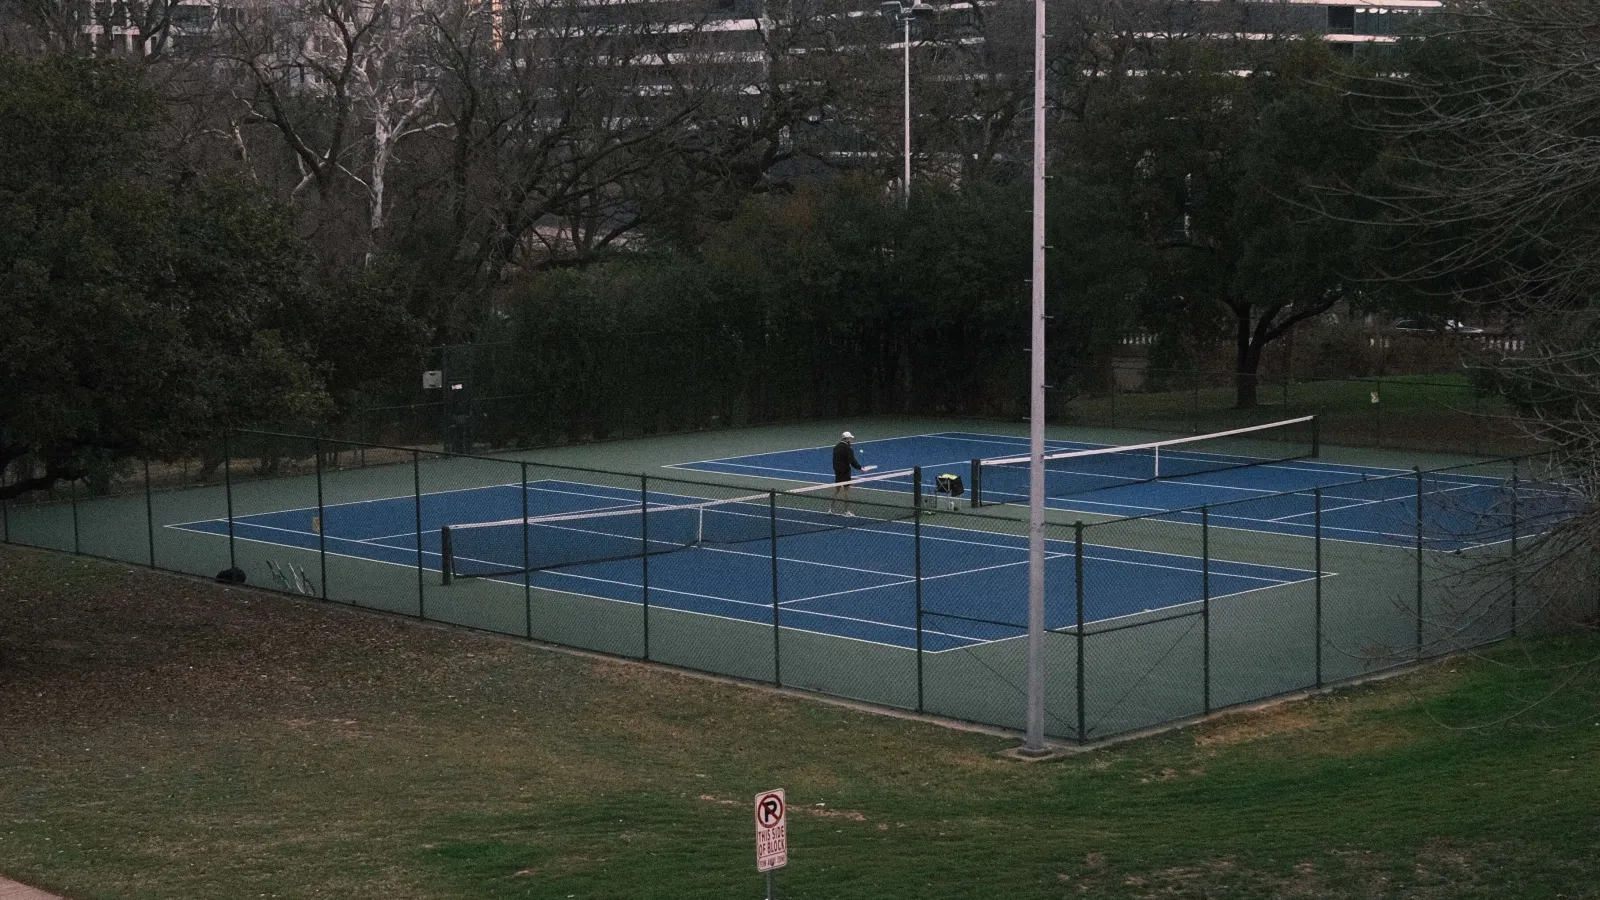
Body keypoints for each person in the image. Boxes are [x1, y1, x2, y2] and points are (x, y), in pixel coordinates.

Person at [831, 431, 865, 515]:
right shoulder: (848, 448)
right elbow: (852, 460)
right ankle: (846, 511)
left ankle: (831, 509)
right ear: (846, 439)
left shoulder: (836, 447)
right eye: (850, 438)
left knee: (837, 490)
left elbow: (835, 460)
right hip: (845, 472)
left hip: (837, 471)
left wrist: (836, 470)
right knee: (847, 490)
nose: (851, 439)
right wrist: (860, 468)